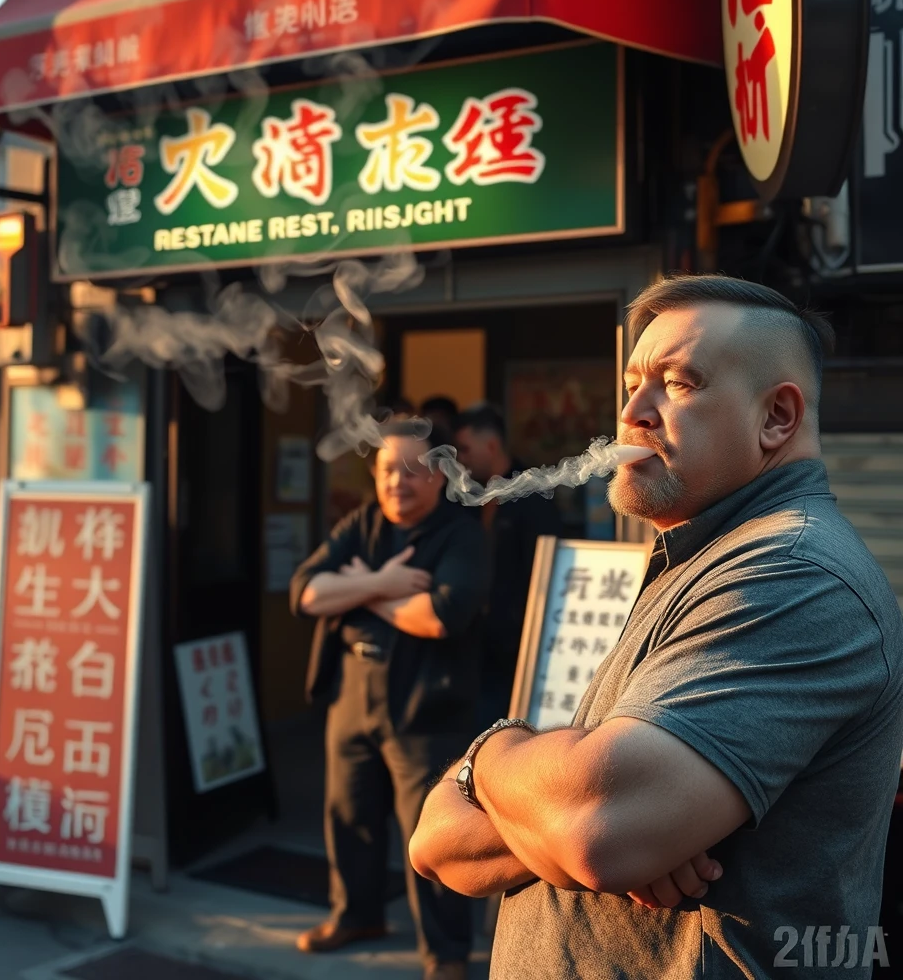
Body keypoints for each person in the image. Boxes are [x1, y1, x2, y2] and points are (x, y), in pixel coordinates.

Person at [409, 275, 903, 979]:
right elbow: (435, 843)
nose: (632, 413)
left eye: (677, 382)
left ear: (777, 418)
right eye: (631, 384)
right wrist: (567, 808)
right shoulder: (699, 556)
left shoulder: (793, 573)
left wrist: (490, 757)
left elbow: (594, 831)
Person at [290, 417, 488, 980]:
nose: (396, 482)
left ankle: (447, 954)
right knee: (349, 814)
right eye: (384, 470)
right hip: (353, 695)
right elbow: (306, 592)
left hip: (425, 708)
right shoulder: (363, 524)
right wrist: (383, 584)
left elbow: (438, 618)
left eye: (410, 470)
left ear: (440, 474)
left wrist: (355, 590)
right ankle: (356, 915)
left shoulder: (463, 533)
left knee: (431, 833)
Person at [453, 404, 564, 726]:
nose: (461, 459)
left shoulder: (531, 492)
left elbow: (543, 566)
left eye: (465, 449)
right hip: (475, 639)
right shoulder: (467, 495)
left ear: (490, 446)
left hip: (516, 639)